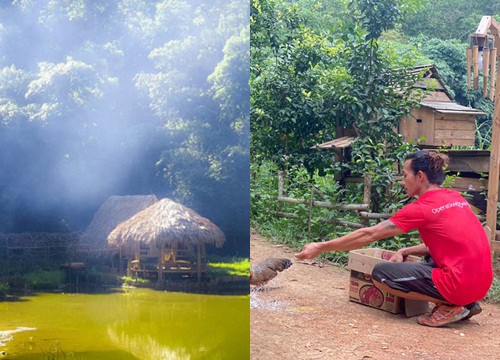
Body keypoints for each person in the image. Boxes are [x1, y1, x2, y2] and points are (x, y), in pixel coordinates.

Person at [295, 150, 493, 327]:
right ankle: (468, 303)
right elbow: (448, 242)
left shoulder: (422, 207)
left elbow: (369, 234)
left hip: (461, 284)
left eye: (405, 175)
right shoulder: (455, 198)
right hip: (481, 283)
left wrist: (321, 247)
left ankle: (450, 304)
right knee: (432, 257)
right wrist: (404, 251)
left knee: (382, 274)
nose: (402, 181)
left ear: (420, 176)